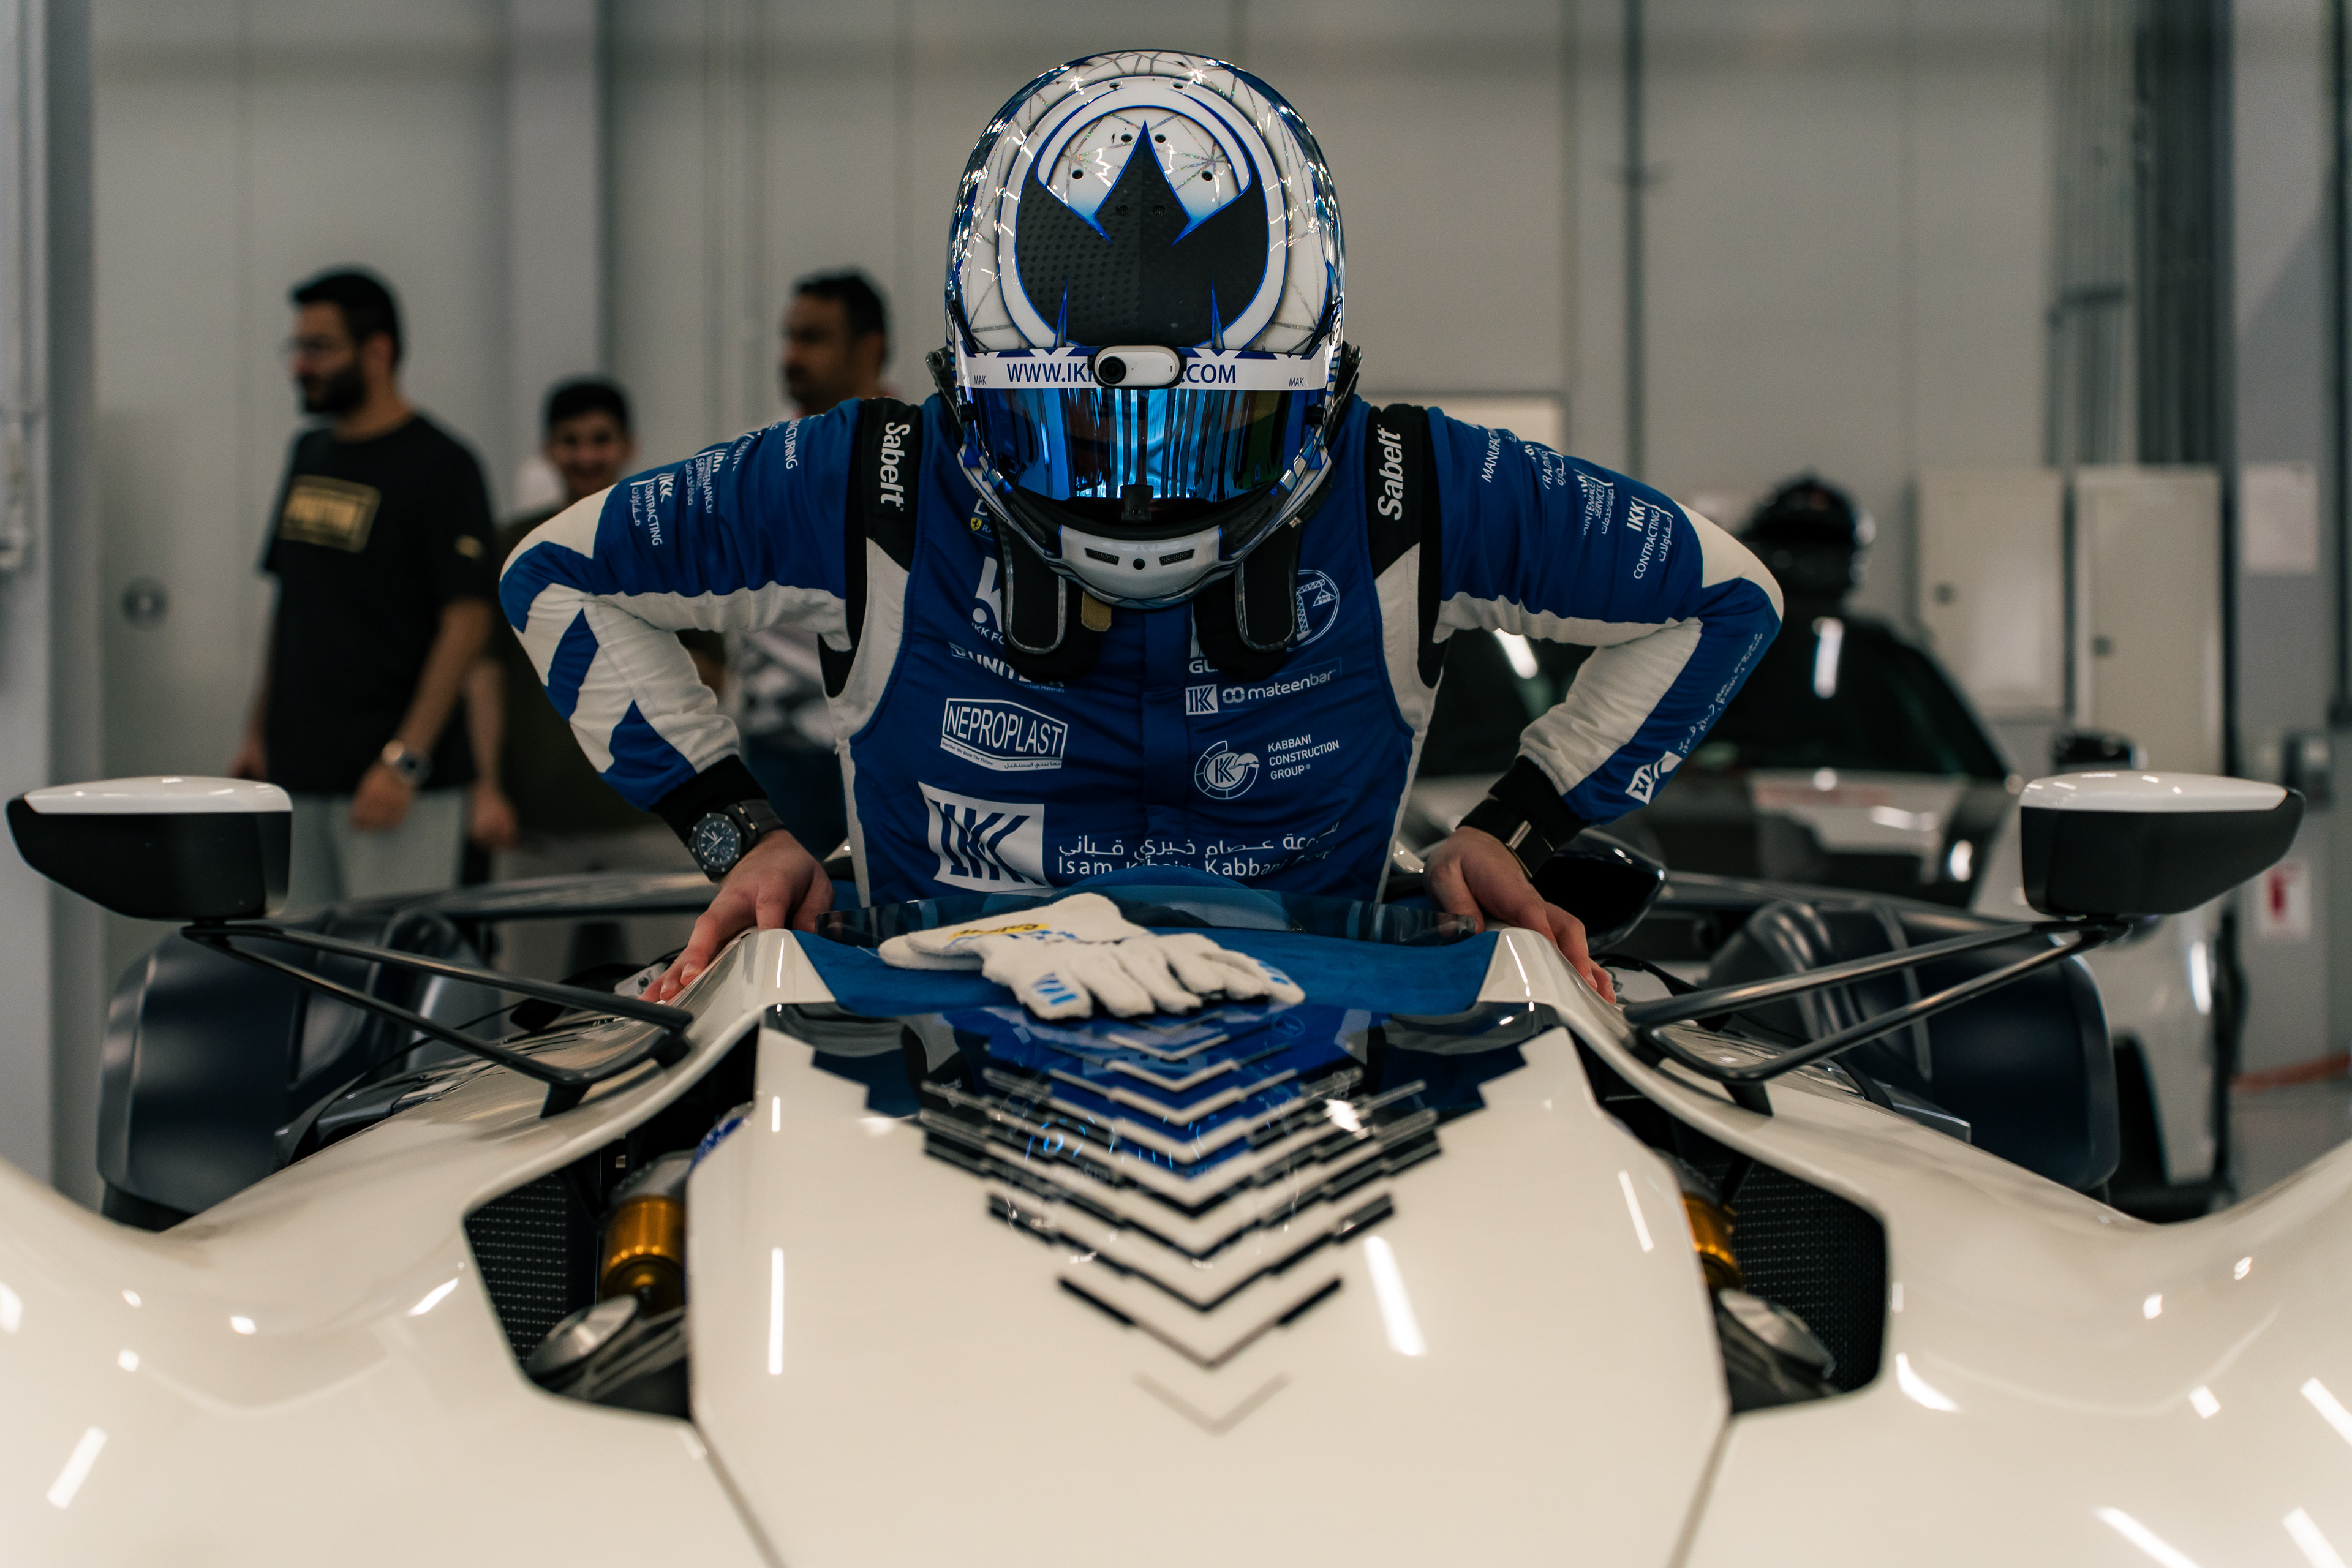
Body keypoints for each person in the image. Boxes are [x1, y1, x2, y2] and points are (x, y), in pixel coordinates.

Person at [501, 51, 1782, 1006]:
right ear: (973, 383)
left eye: (1210, 429)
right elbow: (554, 571)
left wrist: (1515, 831)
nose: (1138, 487)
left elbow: (1726, 598)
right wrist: (735, 832)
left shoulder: (1411, 480)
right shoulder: (871, 475)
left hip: (1331, 1044)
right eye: (1079, 428)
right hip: (922, 1040)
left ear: (1319, 389)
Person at [231, 268, 494, 908]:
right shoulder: (308, 453)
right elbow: (291, 601)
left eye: (319, 348)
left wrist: (405, 761)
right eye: (297, 347)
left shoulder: (442, 464)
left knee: (389, 957)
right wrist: (258, 732)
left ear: (377, 351)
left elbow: (467, 622)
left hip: (398, 784)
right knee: (301, 953)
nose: (300, 366)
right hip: (299, 772)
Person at [466, 378, 723, 978]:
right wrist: (486, 789)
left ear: (628, 445)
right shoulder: (514, 546)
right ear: (548, 449)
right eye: (571, 441)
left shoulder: (667, 539)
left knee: (682, 990)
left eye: (601, 440)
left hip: (658, 814)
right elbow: (484, 674)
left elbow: (713, 675)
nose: (586, 455)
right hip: (536, 824)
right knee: (526, 1003)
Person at [726, 269, 895, 855]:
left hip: (892, 739)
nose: (791, 356)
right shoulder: (754, 462)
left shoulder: (928, 457)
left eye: (813, 338)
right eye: (789, 337)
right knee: (781, 906)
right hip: (780, 752)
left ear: (869, 348)